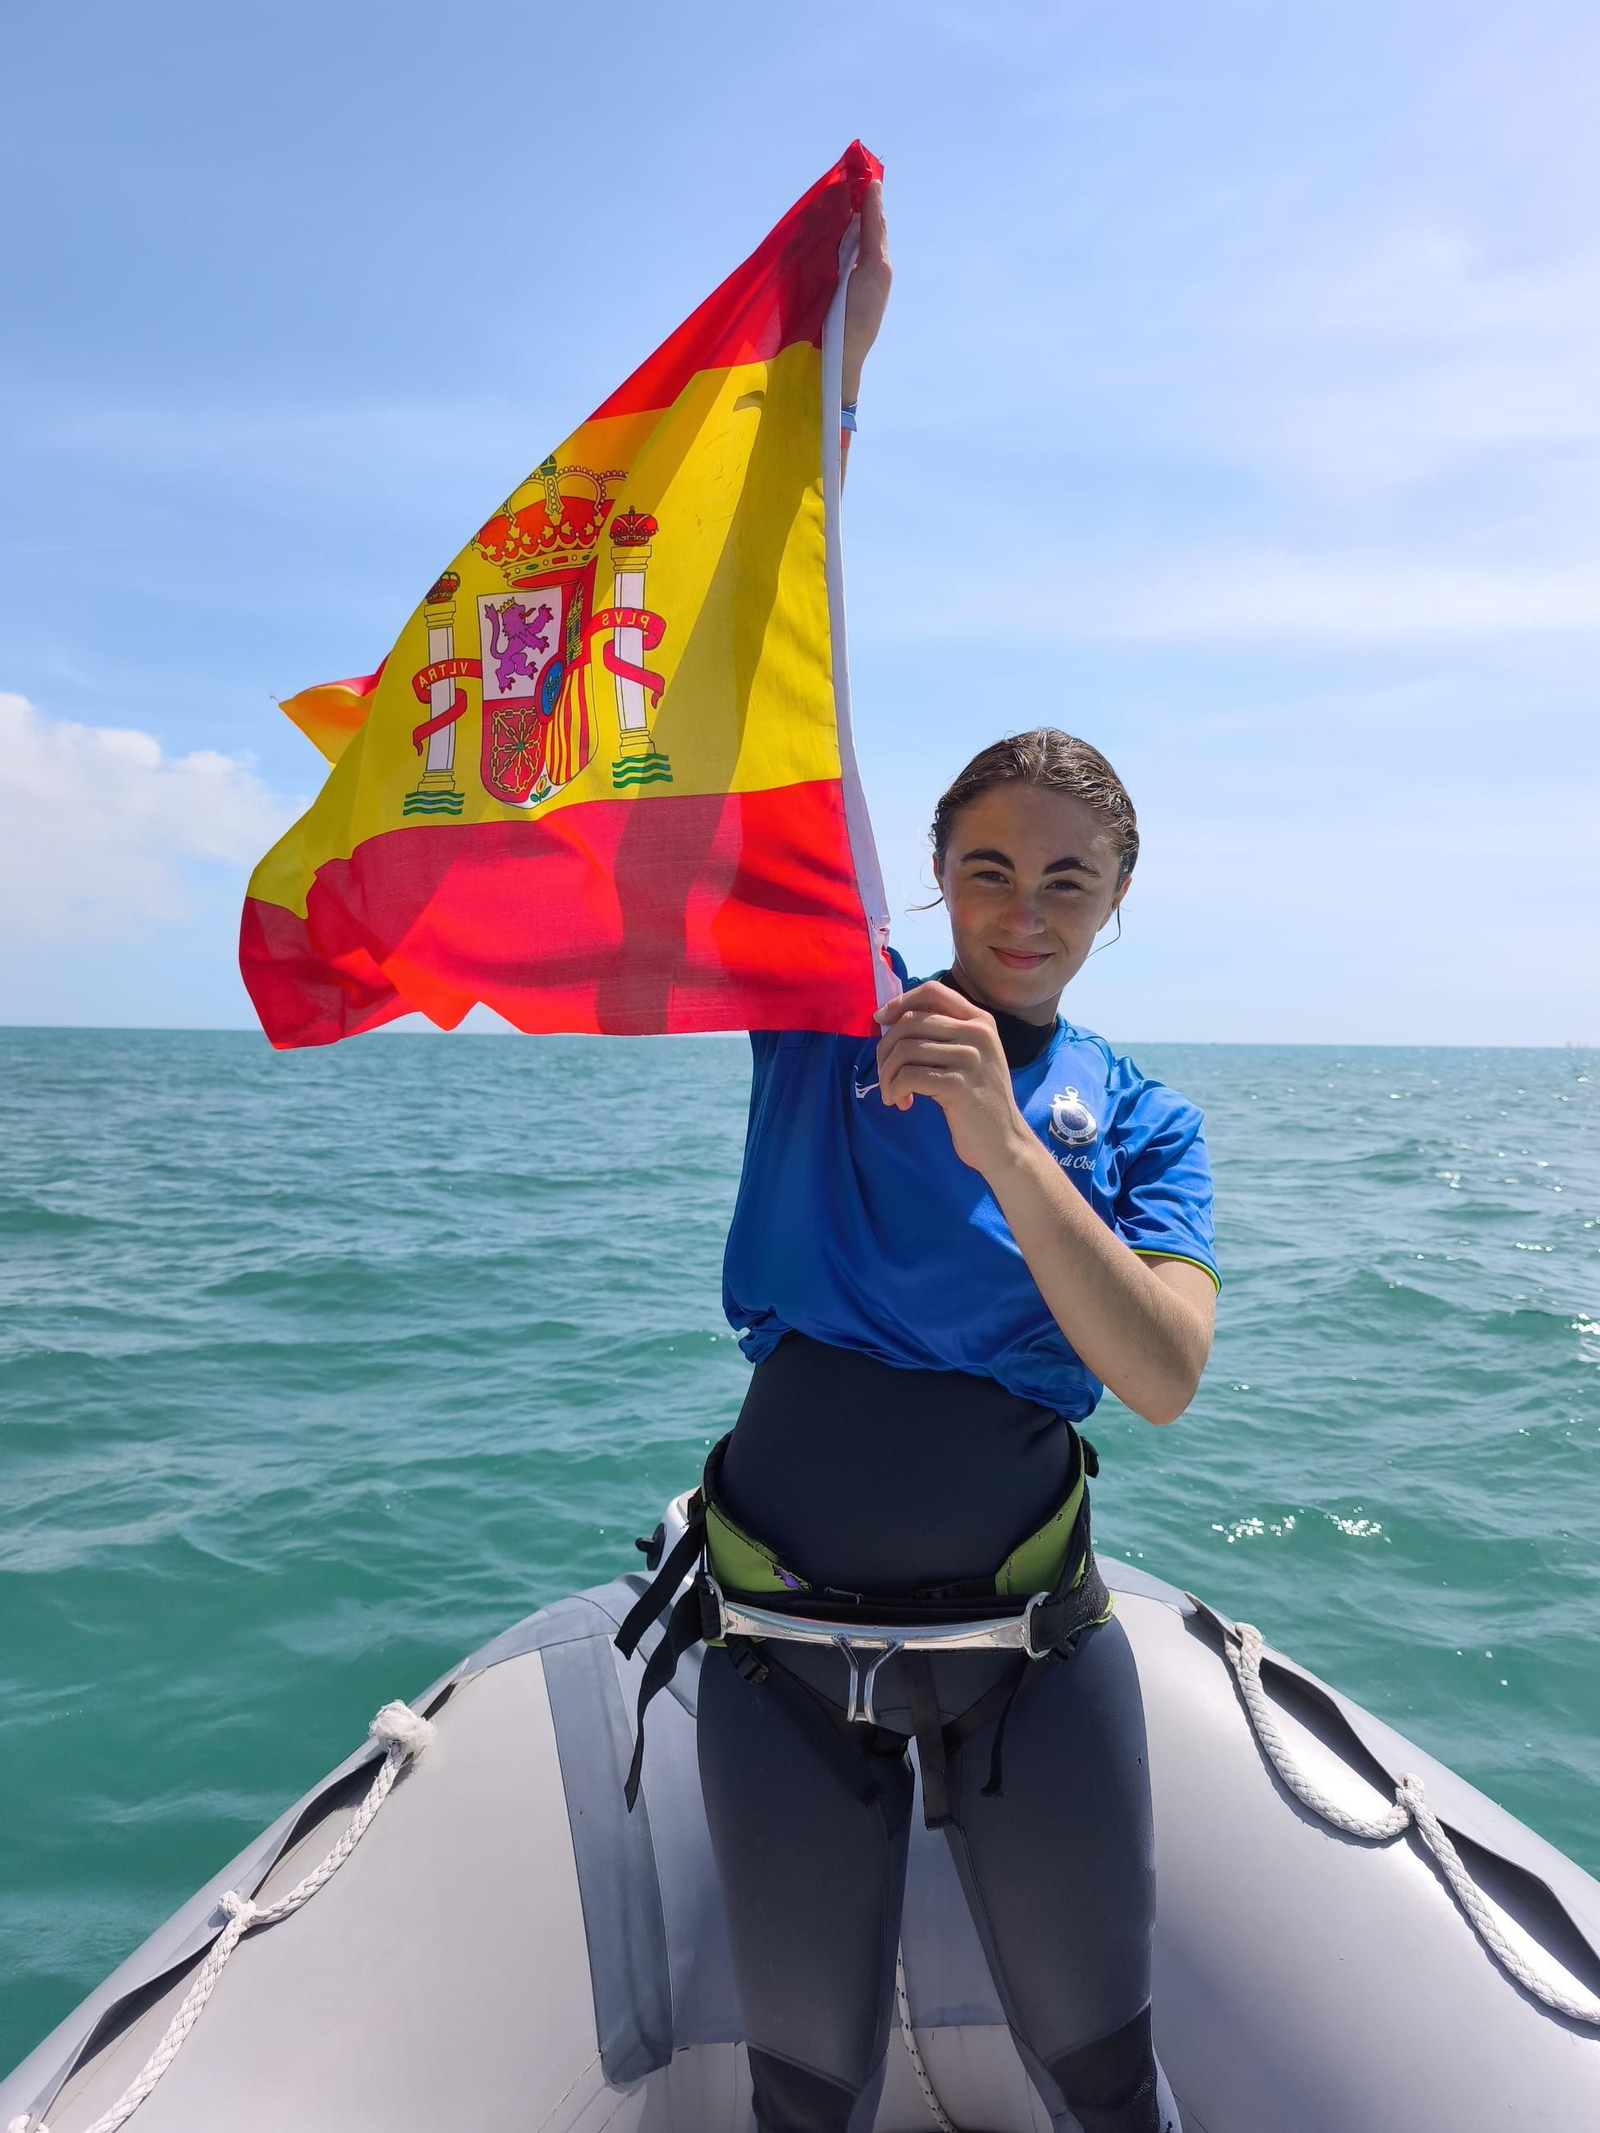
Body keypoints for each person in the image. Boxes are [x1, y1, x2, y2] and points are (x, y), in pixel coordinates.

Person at [622, 184, 1216, 2133]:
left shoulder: (1135, 1116)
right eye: (982, 864)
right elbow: (760, 673)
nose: (1017, 904)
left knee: (1105, 2082)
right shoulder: (820, 1010)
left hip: (1032, 1651)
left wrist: (993, 1127)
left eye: (1063, 877)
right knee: (806, 2096)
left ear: (1112, 901)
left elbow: (1156, 1370)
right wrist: (831, 386)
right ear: (933, 870)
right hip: (778, 1641)